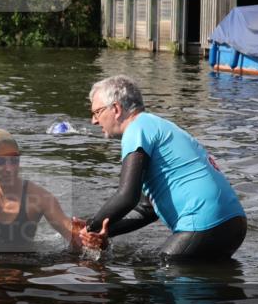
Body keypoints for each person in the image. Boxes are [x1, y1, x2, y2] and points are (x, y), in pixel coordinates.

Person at [82, 75, 247, 260]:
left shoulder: (136, 129)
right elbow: (147, 210)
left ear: (116, 109)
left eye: (97, 112)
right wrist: (104, 230)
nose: (94, 121)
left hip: (204, 223)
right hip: (233, 223)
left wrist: (88, 228)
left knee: (162, 272)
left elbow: (126, 196)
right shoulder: (157, 125)